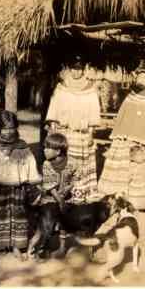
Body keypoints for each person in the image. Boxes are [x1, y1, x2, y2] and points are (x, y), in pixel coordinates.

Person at [98, 64, 145, 211]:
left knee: (142, 172)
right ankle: (119, 199)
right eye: (139, 76)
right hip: (126, 140)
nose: (142, 79)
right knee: (123, 172)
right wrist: (120, 137)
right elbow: (123, 117)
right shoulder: (130, 97)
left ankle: (144, 201)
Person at [0, 111, 42, 260]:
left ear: (16, 128)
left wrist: (30, 178)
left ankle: (16, 246)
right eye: (5, 129)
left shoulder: (22, 146)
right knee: (0, 214)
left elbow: (29, 163)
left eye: (12, 128)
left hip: (17, 188)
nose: (8, 132)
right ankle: (0, 243)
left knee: (17, 215)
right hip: (0, 188)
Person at [45, 55, 101, 204]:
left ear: (83, 70)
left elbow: (93, 113)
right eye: (74, 69)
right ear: (69, 70)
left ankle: (80, 193)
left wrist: (90, 133)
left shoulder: (90, 89)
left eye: (79, 69)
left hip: (80, 135)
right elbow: (54, 110)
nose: (76, 72)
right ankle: (63, 194)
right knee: (64, 164)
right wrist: (53, 129)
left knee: (80, 165)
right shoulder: (62, 87)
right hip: (64, 133)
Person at [31, 133, 78, 259]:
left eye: (47, 148)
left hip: (66, 197)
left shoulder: (72, 162)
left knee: (64, 224)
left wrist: (70, 187)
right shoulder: (47, 165)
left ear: (57, 151)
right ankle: (39, 247)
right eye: (45, 147)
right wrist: (61, 201)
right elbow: (50, 187)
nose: (44, 150)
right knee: (47, 225)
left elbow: (75, 177)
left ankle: (62, 247)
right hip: (51, 198)